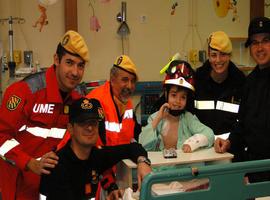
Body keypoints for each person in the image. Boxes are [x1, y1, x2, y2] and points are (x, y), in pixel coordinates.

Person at [0, 30, 89, 200]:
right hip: (20, 187)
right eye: (69, 63)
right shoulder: (24, 92)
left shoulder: (79, 99)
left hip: (54, 188)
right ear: (56, 60)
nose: (75, 72)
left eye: (81, 65)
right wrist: (29, 162)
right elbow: (1, 136)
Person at [39, 97, 151, 200]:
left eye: (93, 122)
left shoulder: (96, 155)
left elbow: (132, 148)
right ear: (70, 128)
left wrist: (143, 162)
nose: (89, 128)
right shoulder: (57, 165)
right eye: (83, 123)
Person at [215, 17, 270, 182]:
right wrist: (230, 142)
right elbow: (243, 123)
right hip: (252, 166)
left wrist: (257, 177)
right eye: (254, 42)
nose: (259, 48)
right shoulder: (250, 82)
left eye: (265, 41)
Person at [139, 60, 214, 156]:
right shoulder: (155, 118)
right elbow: (142, 146)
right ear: (166, 94)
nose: (178, 101)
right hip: (159, 169)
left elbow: (209, 134)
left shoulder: (188, 118)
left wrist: (192, 143)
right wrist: (158, 119)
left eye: (183, 97)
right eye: (174, 95)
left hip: (182, 169)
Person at [194, 31, 246, 138]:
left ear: (230, 56)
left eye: (223, 54)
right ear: (208, 56)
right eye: (214, 55)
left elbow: (244, 120)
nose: (218, 60)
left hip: (231, 148)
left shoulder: (241, 82)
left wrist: (231, 142)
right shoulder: (197, 79)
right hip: (200, 146)